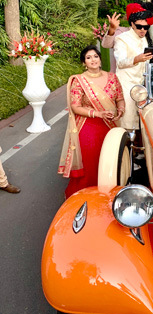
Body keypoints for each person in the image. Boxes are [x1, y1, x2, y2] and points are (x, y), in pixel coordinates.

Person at [58, 45, 125, 199]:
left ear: (100, 59)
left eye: (95, 56)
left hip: (110, 125)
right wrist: (98, 113)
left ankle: (109, 193)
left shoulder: (113, 77)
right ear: (84, 63)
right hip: (88, 126)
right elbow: (75, 107)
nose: (93, 60)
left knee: (111, 160)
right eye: (88, 58)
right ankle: (86, 196)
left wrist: (120, 110)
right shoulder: (79, 81)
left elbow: (120, 99)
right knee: (91, 161)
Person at [113, 3, 153, 130]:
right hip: (126, 85)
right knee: (127, 121)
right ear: (132, 24)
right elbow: (120, 62)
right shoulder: (121, 39)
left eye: (146, 27)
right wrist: (136, 59)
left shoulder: (144, 39)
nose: (143, 30)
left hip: (141, 85)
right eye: (139, 27)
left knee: (142, 122)